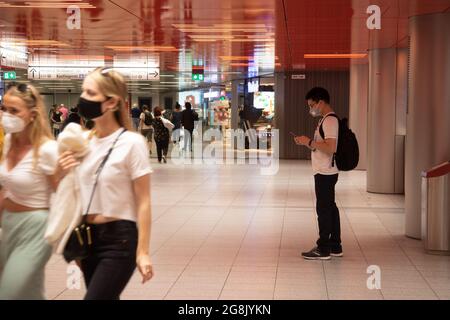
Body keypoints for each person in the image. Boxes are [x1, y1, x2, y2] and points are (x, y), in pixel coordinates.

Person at [54, 67, 154, 300]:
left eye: (91, 93)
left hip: (119, 240)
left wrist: (143, 252)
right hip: (88, 239)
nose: (83, 99)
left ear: (111, 102)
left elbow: (144, 201)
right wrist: (62, 170)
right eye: (83, 92)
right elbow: (71, 192)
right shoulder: (83, 141)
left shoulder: (132, 143)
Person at [0, 82, 58, 299]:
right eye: (4, 109)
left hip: (36, 229)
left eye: (14, 111)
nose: (6, 115)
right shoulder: (8, 142)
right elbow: (6, 188)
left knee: (9, 292)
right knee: (29, 293)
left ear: (32, 115)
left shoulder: (47, 149)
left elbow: (62, 195)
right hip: (9, 224)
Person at [294, 87, 342, 260]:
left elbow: (330, 148)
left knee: (323, 209)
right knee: (330, 208)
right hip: (326, 170)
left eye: (312, 105)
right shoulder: (325, 120)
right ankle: (335, 245)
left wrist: (309, 141)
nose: (311, 109)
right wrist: (307, 143)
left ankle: (323, 248)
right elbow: (322, 146)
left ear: (321, 102)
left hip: (325, 172)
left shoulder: (329, 121)